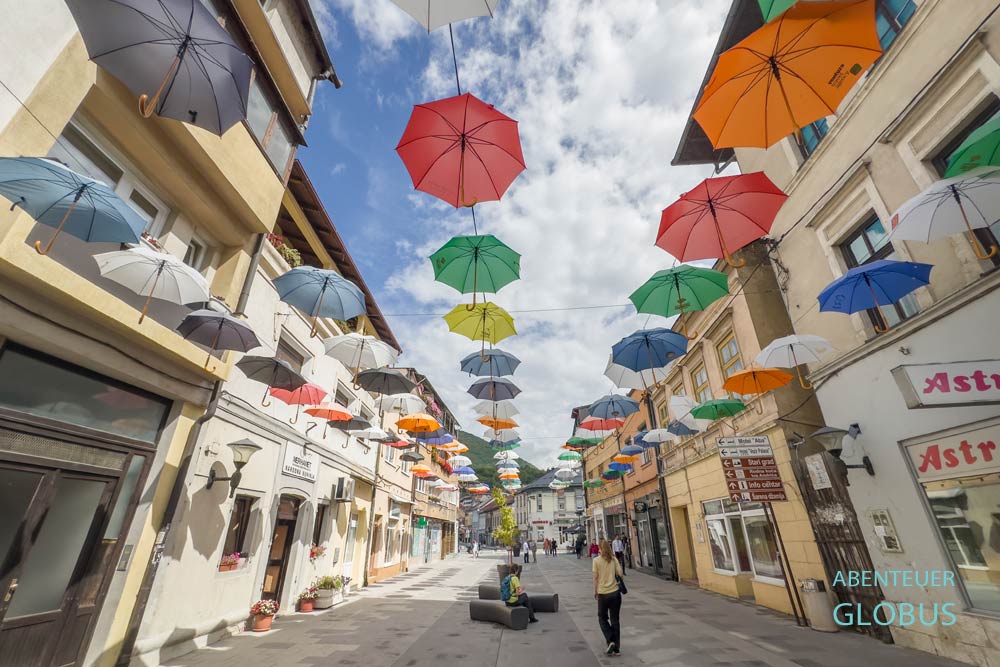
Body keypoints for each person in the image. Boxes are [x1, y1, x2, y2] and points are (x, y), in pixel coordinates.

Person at [593, 539, 624, 656]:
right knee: (615, 620)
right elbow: (620, 574)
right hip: (615, 593)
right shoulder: (614, 559)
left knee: (602, 618)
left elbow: (595, 578)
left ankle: (611, 640)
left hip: (603, 594)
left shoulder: (596, 560)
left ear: (600, 549)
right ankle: (616, 647)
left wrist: (595, 591)